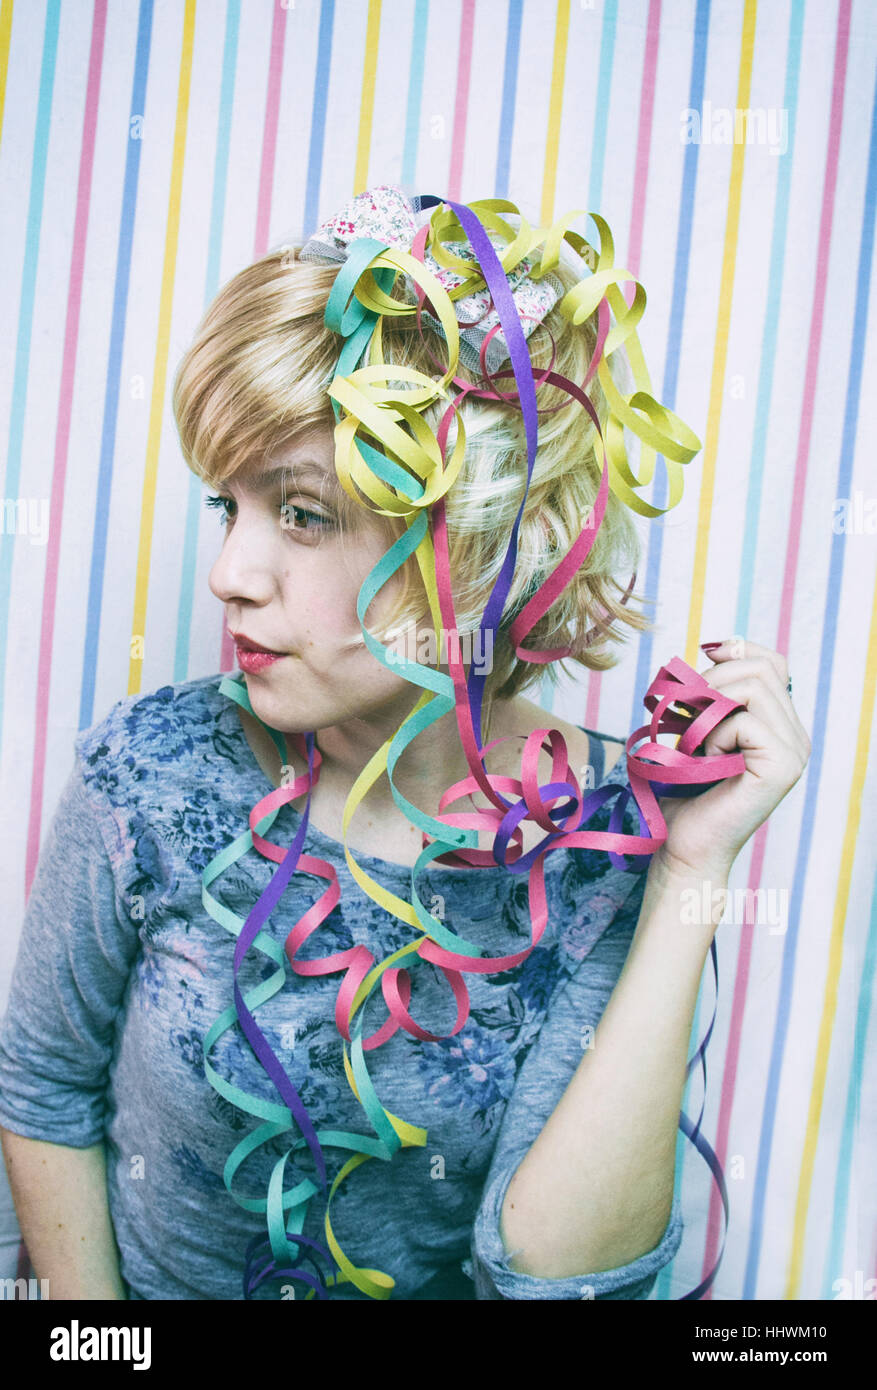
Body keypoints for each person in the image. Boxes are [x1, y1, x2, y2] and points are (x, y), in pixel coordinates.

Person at [0, 188, 810, 1301]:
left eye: (300, 513)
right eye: (224, 507)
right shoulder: (148, 768)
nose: (230, 573)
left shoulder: (603, 841)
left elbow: (553, 1275)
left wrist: (691, 870)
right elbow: (44, 1086)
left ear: (470, 550)